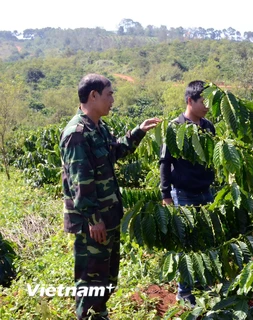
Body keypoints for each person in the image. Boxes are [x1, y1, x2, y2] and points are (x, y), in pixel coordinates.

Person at [60, 74, 161, 320]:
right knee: (91, 281)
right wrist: (94, 220)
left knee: (105, 279)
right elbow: (79, 183)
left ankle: (99, 315)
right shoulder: (77, 133)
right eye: (109, 94)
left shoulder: (97, 127)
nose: (113, 99)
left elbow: (113, 152)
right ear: (93, 96)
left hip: (107, 218)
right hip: (92, 223)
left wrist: (138, 131)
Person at [160, 80, 215, 305]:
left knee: (205, 238)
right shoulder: (175, 127)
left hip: (205, 192)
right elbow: (165, 162)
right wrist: (165, 194)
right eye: (203, 101)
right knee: (186, 242)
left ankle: (203, 280)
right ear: (190, 101)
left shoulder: (208, 126)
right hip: (183, 193)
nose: (207, 106)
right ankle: (184, 290)